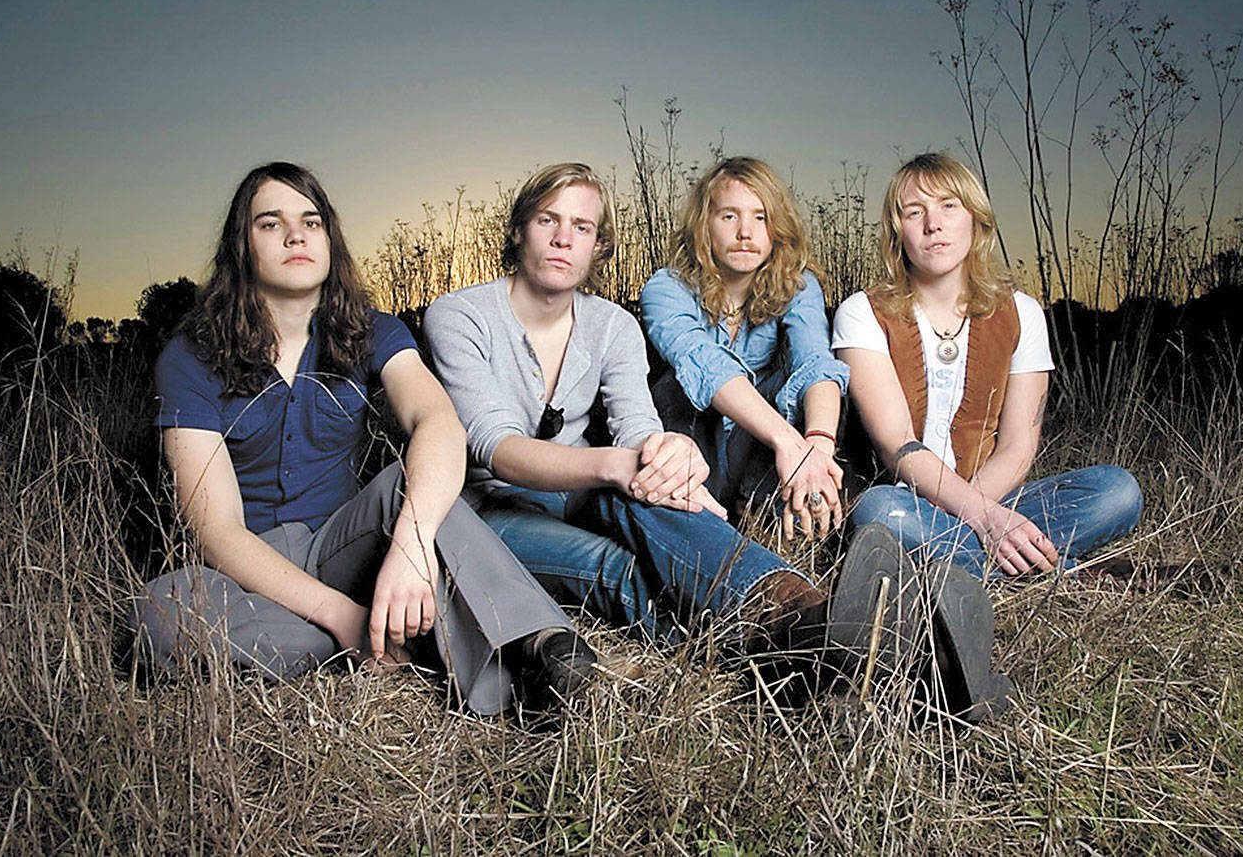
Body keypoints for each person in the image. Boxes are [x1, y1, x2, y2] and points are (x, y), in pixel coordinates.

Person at [133, 162, 592, 715]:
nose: (296, 235)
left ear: (330, 238)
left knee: (418, 481)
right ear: (241, 245)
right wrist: (342, 616)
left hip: (339, 543)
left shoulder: (371, 330)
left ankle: (542, 648)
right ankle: (363, 635)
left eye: (311, 221)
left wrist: (412, 543)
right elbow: (216, 532)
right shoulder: (190, 356)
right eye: (271, 224)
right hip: (242, 569)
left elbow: (438, 422)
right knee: (160, 615)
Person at [423, 162, 853, 661]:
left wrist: (667, 455)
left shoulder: (613, 326)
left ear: (598, 246)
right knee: (621, 567)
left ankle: (801, 611)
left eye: (581, 227)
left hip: (584, 494)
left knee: (653, 482)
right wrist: (618, 466)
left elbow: (637, 428)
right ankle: (785, 650)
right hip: (487, 508)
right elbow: (494, 447)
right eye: (548, 221)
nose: (564, 239)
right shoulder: (458, 315)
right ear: (519, 230)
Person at [832, 153, 1142, 579]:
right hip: (903, 501)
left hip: (989, 502)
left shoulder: (1021, 313)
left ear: (974, 219)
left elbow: (1018, 446)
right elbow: (897, 444)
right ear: (896, 231)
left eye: (948, 206)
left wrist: (985, 515)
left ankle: (951, 563)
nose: (932, 223)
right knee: (879, 512)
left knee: (1118, 492)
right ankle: (1065, 573)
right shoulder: (863, 312)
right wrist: (983, 521)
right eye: (914, 211)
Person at [641, 157, 848, 540]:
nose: (745, 233)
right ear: (705, 225)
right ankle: (696, 523)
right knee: (677, 386)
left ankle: (783, 521)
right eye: (729, 217)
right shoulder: (665, 287)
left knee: (813, 394)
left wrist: (817, 448)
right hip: (692, 439)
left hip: (760, 458)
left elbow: (816, 362)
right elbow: (705, 365)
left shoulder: (799, 286)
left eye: (760, 217)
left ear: (777, 229)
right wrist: (789, 443)